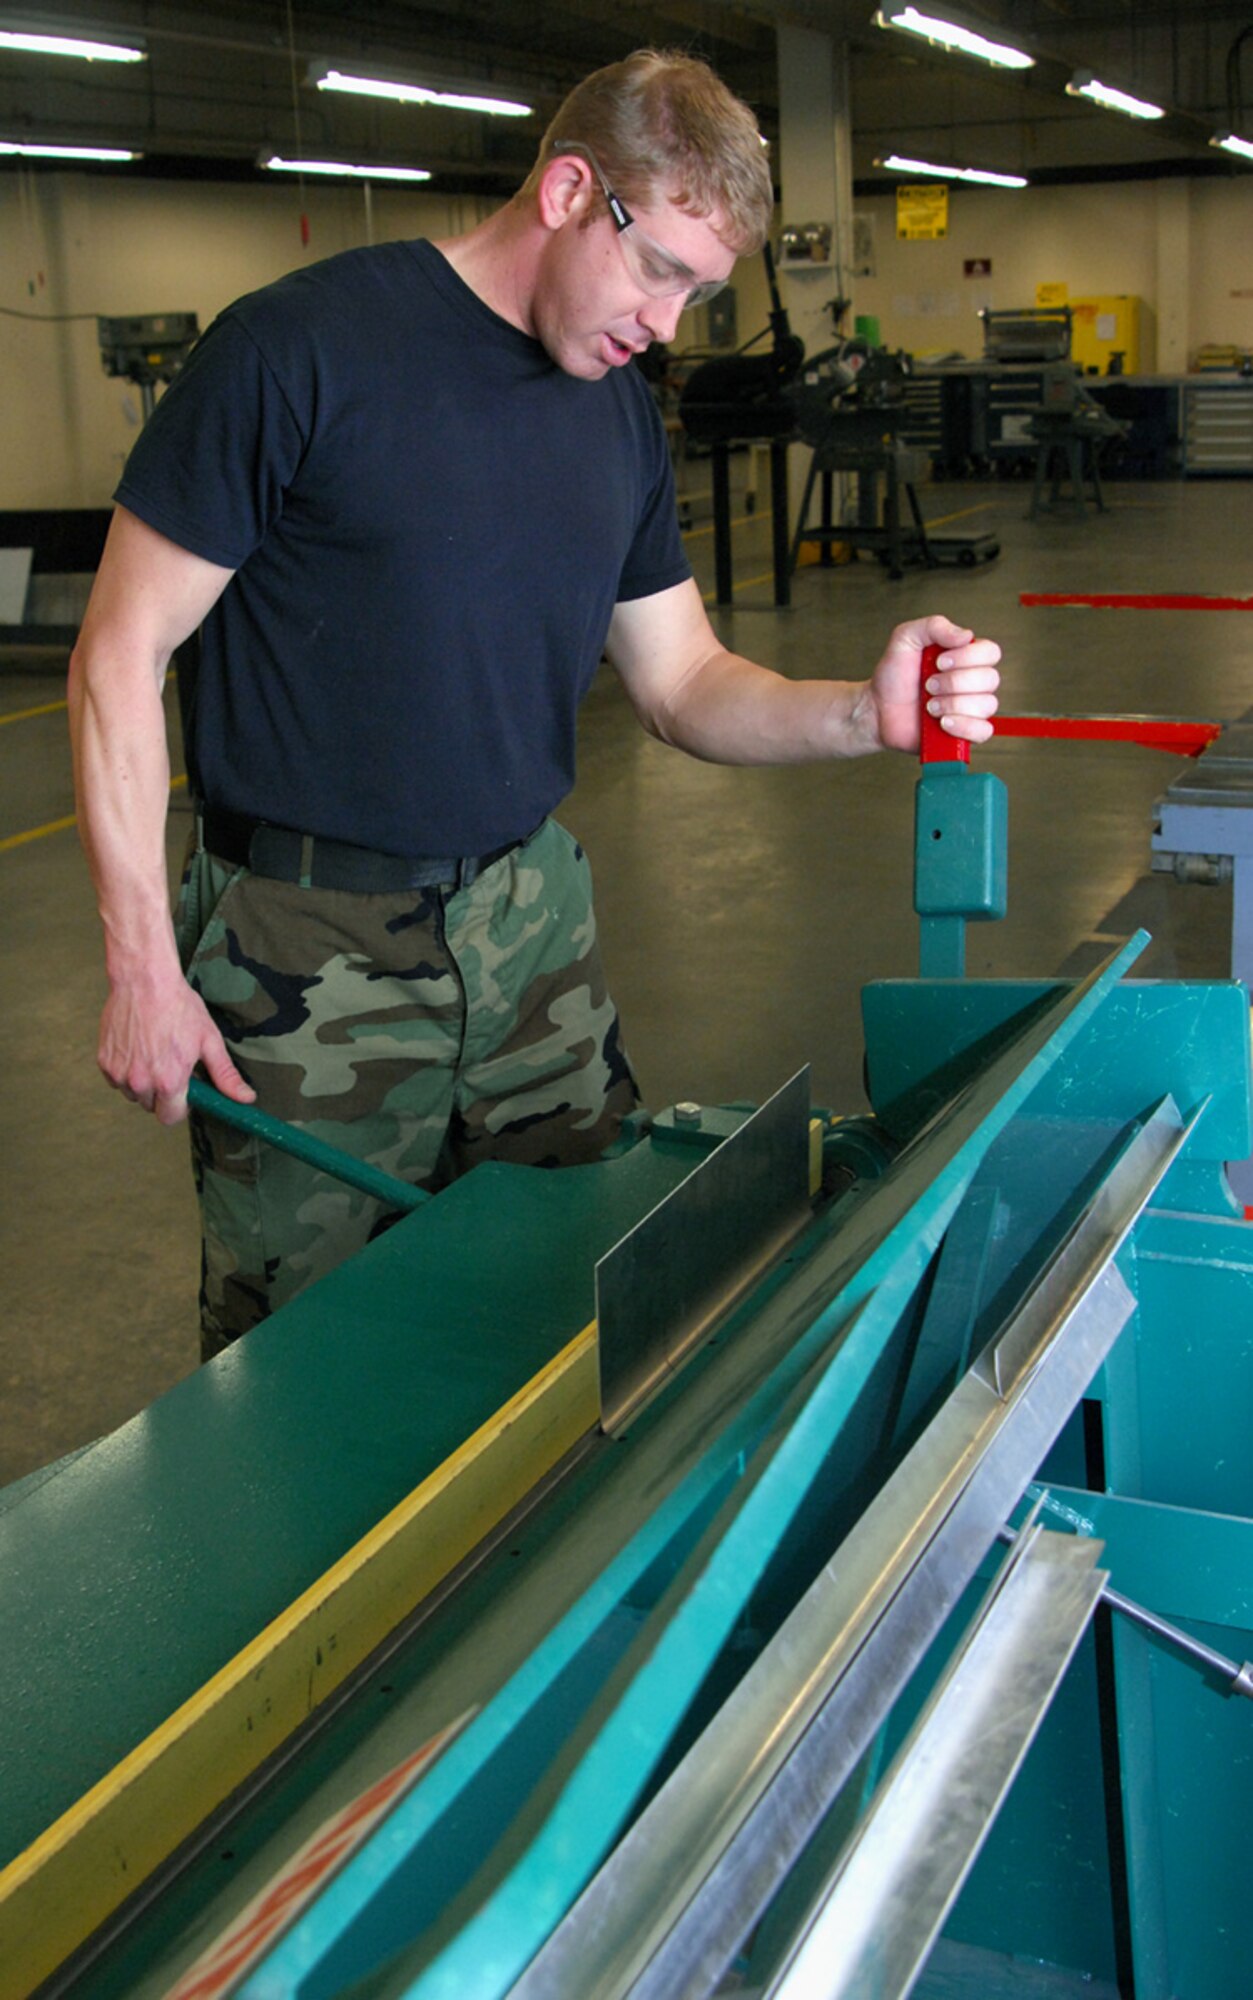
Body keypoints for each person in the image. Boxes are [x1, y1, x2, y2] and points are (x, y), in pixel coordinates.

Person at [68, 48, 1000, 1358]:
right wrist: (139, 966)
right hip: (301, 953)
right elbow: (118, 654)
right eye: (662, 272)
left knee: (577, 1304)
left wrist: (862, 712)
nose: (669, 324)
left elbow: (681, 682)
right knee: (302, 1363)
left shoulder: (616, 418)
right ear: (571, 191)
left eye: (703, 292)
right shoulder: (298, 352)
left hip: (529, 932)